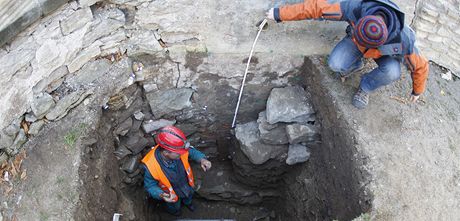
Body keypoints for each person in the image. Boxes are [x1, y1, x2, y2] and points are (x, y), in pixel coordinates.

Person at [266, 0, 429, 109]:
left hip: (385, 54)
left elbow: (421, 66)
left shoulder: (403, 39)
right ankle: (355, 64)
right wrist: (279, 14)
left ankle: (366, 87)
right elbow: (316, 7)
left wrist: (417, 91)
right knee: (335, 64)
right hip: (356, 40)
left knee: (393, 72)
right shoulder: (355, 7)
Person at [141, 126, 212, 216]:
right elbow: (150, 186)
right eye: (179, 153)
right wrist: (161, 194)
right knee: (174, 206)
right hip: (171, 194)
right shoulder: (151, 165)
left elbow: (191, 152)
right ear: (166, 153)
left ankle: (188, 204)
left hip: (186, 185)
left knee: (188, 196)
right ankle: (176, 213)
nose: (183, 153)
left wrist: (202, 159)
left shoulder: (177, 150)